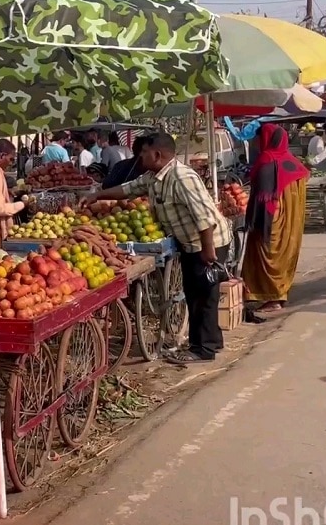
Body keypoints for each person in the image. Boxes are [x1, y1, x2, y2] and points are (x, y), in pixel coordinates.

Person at [82, 133, 232, 364]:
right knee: (198, 294)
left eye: (143, 153)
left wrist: (208, 250)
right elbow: (129, 189)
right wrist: (98, 195)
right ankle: (210, 341)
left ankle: (203, 349)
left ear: (157, 154)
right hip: (191, 242)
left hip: (206, 241)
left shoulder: (182, 177)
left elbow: (205, 217)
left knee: (202, 296)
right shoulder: (154, 177)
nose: (140, 157)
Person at [241, 124, 309, 313]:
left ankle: (272, 298)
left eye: (257, 138)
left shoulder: (267, 159)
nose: (255, 142)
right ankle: (279, 294)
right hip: (289, 225)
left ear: (266, 139)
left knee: (267, 253)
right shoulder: (294, 163)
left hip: (271, 220)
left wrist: (254, 221)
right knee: (282, 255)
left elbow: (264, 198)